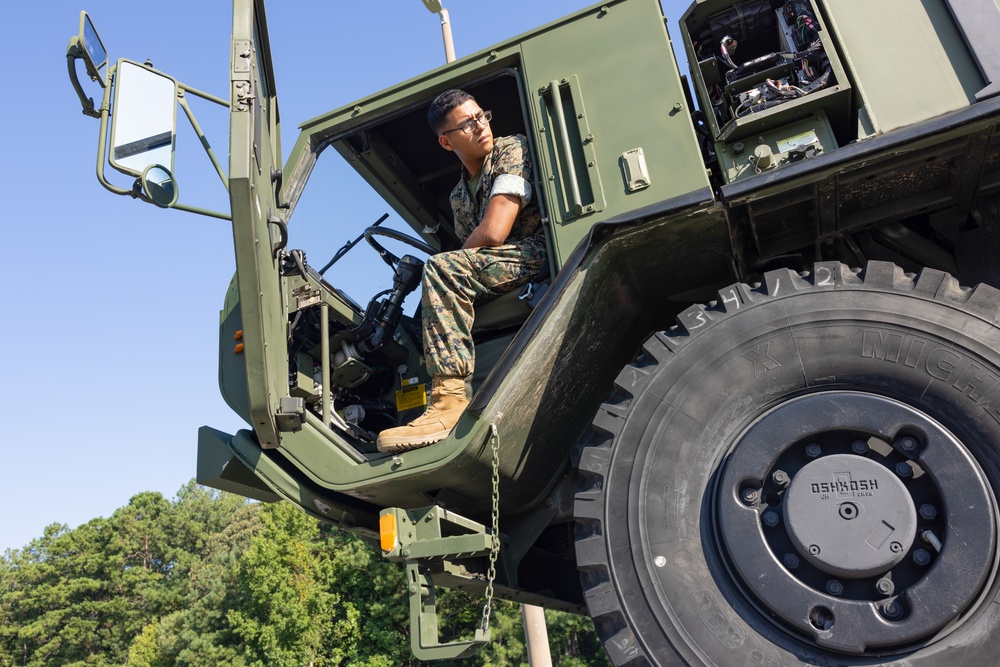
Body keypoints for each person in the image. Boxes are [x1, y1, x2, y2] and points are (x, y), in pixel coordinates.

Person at [377, 89, 547, 453]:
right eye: (467, 124)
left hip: (537, 252)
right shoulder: (458, 197)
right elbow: (476, 253)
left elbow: (494, 232)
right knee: (429, 300)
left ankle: (449, 403)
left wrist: (446, 268)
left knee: (441, 269)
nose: (480, 126)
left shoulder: (511, 149)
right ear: (445, 141)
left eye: (481, 116)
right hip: (501, 266)